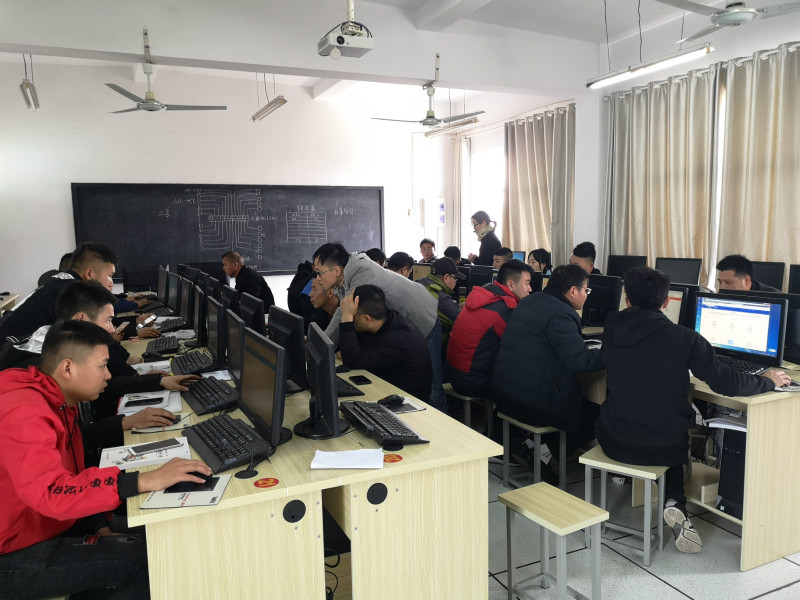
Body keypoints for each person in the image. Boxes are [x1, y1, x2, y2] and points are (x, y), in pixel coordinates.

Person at [0, 319, 211, 599]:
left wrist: (97, 525)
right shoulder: (25, 413)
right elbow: (53, 492)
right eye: (102, 366)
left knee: (160, 530)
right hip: (10, 551)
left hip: (37, 523)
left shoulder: (50, 396)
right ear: (68, 368)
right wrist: (145, 480)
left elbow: (67, 475)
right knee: (142, 563)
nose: (108, 375)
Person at [599, 267, 790, 554]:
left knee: (652, 423)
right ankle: (675, 501)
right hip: (661, 447)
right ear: (666, 301)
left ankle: (671, 500)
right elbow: (725, 383)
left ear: (627, 300)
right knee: (673, 438)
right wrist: (767, 381)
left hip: (612, 440)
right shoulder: (685, 338)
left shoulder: (611, 327)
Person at [311, 243, 445, 411]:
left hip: (423, 317)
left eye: (319, 272)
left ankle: (443, 424)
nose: (318, 278)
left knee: (433, 391)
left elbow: (345, 311)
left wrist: (320, 346)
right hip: (402, 326)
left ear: (336, 270)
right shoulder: (347, 274)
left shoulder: (362, 271)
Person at [492, 264, 604, 449]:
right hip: (530, 403)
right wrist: (611, 353)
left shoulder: (529, 301)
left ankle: (529, 446)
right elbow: (582, 361)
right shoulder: (562, 314)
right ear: (573, 291)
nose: (587, 295)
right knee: (597, 414)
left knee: (579, 405)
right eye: (586, 290)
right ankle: (542, 455)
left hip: (505, 393)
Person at [0, 242, 119, 342]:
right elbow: (86, 340)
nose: (111, 283)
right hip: (12, 354)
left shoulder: (62, 280)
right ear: (89, 274)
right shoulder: (74, 292)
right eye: (109, 276)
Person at [446, 259, 533, 397]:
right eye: (527, 283)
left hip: (454, 374)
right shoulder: (505, 308)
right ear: (510, 284)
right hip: (473, 382)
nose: (530, 289)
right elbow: (520, 345)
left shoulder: (482, 297)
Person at [338, 285, 433, 402]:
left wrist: (347, 317)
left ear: (367, 319)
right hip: (384, 386)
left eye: (353, 316)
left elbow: (351, 361)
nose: (351, 321)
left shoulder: (398, 339)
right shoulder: (381, 320)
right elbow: (353, 355)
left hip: (409, 400)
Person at [417, 258, 464, 351]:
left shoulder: (421, 284)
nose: (455, 282)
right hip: (430, 349)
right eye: (455, 278)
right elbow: (461, 321)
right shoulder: (439, 296)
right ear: (446, 277)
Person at [716, 254, 780, 292]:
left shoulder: (774, 298)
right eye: (720, 282)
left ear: (746, 281)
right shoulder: (722, 296)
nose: (722, 287)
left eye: (727, 282)